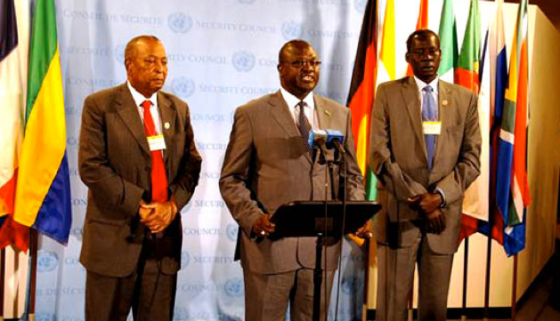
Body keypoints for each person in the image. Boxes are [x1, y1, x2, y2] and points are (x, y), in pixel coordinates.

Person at [219, 39, 367, 321]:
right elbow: (231, 179)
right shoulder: (251, 114)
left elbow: (351, 175)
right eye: (299, 63)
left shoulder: (339, 113)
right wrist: (254, 218)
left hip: (321, 250)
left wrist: (355, 212)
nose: (308, 68)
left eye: (313, 62)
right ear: (280, 68)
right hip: (271, 247)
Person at [78, 35, 202, 321]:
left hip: (163, 245)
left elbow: (191, 164)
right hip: (113, 242)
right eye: (150, 61)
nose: (160, 68)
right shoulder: (100, 105)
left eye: (164, 62)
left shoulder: (178, 108)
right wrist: (140, 205)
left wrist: (171, 206)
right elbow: (91, 166)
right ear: (129, 66)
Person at [369, 29, 481, 321]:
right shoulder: (387, 93)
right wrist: (421, 200)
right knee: (391, 308)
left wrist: (439, 197)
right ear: (409, 57)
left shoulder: (465, 99)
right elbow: (379, 155)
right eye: (420, 52)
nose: (427, 58)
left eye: (433, 51)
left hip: (442, 220)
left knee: (434, 309)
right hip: (398, 216)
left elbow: (471, 158)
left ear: (440, 54)